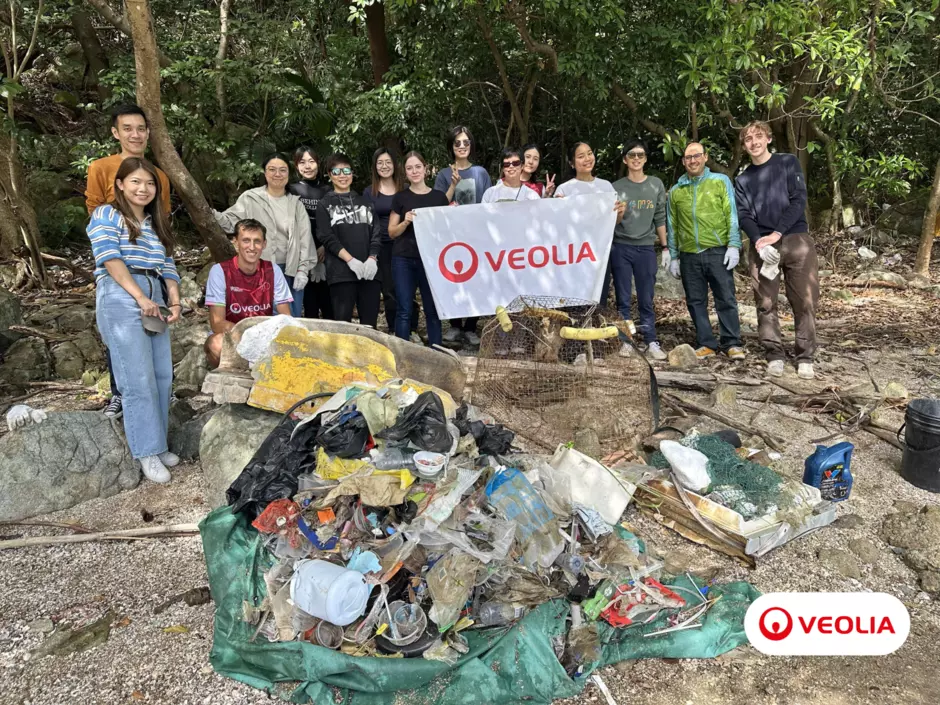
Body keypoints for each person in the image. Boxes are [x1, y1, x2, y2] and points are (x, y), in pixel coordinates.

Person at [87, 157, 181, 484]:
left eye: (150, 183)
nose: (144, 189)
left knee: (161, 375)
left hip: (155, 293)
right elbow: (110, 258)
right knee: (136, 377)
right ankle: (146, 451)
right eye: (136, 182)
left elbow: (167, 265)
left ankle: (158, 444)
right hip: (121, 293)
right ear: (120, 184)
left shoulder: (155, 224)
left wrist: (174, 300)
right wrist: (140, 298)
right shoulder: (106, 214)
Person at [85, 103, 172, 420]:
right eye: (127, 129)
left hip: (151, 261)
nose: (135, 135)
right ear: (115, 132)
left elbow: (161, 218)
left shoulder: (159, 175)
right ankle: (120, 393)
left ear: (148, 132)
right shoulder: (101, 168)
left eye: (140, 129)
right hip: (117, 261)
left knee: (153, 329)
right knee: (122, 334)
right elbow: (94, 209)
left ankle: (160, 395)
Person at [735, 120, 818, 379]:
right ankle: (774, 354)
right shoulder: (743, 179)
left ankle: (805, 356)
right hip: (763, 246)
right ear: (744, 146)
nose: (754, 142)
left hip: (795, 240)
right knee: (765, 302)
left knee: (804, 300)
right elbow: (743, 214)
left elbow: (798, 199)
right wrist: (759, 240)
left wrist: (777, 233)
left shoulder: (787, 163)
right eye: (749, 139)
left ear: (768, 139)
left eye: (758, 136)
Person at [666, 142, 745, 360]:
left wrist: (734, 245)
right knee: (695, 301)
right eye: (688, 157)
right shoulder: (676, 191)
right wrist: (673, 256)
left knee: (725, 297)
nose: (692, 161)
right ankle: (706, 343)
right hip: (689, 254)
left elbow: (731, 214)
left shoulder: (720, 181)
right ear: (683, 161)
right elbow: (672, 225)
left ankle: (732, 343)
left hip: (717, 250)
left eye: (696, 156)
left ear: (705, 157)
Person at [214, 154, 315, 317]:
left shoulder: (296, 204)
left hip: (290, 270)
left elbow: (305, 239)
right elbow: (230, 222)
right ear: (265, 172)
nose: (277, 174)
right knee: (260, 317)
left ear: (289, 173)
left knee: (290, 321)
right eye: (272, 169)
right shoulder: (251, 198)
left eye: (282, 170)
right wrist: (209, 213)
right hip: (259, 269)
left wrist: (303, 270)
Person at [203, 219, 294, 368]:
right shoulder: (220, 271)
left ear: (264, 244)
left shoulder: (273, 270)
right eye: (246, 240)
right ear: (235, 242)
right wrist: (248, 336)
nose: (252, 247)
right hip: (234, 333)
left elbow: (286, 316)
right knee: (215, 344)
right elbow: (217, 323)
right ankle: (230, 375)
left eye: (257, 241)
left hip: (264, 335)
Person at [433, 125, 492, 346]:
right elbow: (437, 205)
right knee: (453, 279)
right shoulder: (443, 174)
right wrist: (452, 186)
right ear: (451, 146)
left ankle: (471, 327)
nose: (461, 146)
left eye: (466, 142)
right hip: (451, 237)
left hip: (476, 236)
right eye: (457, 143)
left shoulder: (481, 173)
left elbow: (488, 204)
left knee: (476, 280)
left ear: (471, 145)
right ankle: (455, 325)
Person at [610, 139, 668, 360]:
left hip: (645, 247)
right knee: (623, 298)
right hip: (621, 246)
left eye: (640, 155)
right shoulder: (615, 187)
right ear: (625, 159)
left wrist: (665, 247)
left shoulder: (655, 184)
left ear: (645, 159)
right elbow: (611, 222)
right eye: (631, 155)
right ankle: (626, 341)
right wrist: (619, 214)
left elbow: (659, 217)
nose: (636, 158)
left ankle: (651, 339)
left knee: (646, 297)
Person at [387, 151, 450, 346]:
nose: (414, 171)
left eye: (417, 167)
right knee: (404, 309)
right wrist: (405, 222)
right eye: (409, 168)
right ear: (405, 172)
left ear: (425, 169)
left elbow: (446, 231)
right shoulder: (400, 197)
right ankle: (402, 353)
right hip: (403, 259)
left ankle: (437, 352)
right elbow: (392, 232)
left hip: (430, 260)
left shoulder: (439, 197)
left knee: (432, 309)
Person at [554, 141, 626, 309]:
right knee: (574, 301)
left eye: (589, 153)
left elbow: (613, 222)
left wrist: (620, 214)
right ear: (572, 163)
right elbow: (557, 227)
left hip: (600, 254)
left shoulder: (606, 186)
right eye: (581, 156)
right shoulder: (564, 189)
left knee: (598, 299)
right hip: (573, 256)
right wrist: (557, 208)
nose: (587, 158)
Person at [316, 153, 382, 326]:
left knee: (370, 326)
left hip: (369, 272)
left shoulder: (366, 203)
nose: (342, 175)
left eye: (346, 170)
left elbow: (376, 233)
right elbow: (326, 236)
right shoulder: (324, 204)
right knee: (343, 327)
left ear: (352, 173)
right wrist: (350, 260)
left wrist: (372, 258)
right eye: (337, 171)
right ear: (330, 175)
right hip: (341, 274)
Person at [363, 148, 415, 337]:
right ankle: (394, 329)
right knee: (389, 290)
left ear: (395, 165)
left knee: (409, 288)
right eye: (380, 163)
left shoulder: (406, 188)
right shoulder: (369, 192)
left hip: (405, 243)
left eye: (388, 162)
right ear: (375, 167)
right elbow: (367, 221)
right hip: (382, 245)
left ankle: (412, 329)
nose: (384, 166)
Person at [287, 146, 332, 320]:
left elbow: (334, 222)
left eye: (311, 161)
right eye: (302, 162)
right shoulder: (292, 190)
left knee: (329, 304)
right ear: (296, 166)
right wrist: (308, 251)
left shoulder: (328, 190)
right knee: (309, 305)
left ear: (318, 164)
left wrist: (325, 246)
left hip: (326, 252)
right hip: (303, 254)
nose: (307, 166)